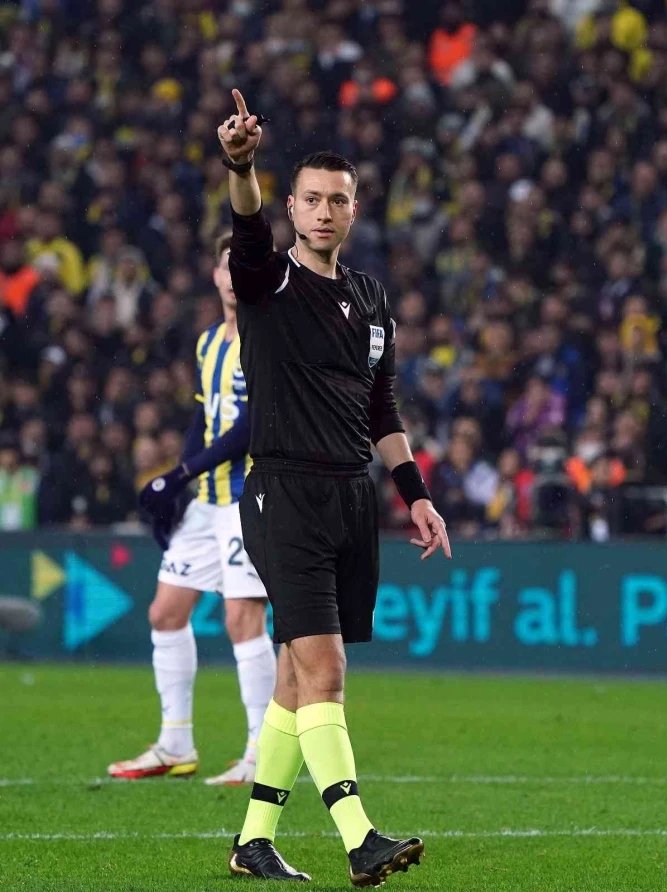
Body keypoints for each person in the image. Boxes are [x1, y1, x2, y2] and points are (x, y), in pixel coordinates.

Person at [217, 90, 451, 886]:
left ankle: (254, 841)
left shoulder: (373, 298)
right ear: (292, 206)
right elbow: (247, 230)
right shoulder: (266, 281)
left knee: (295, 678)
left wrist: (416, 493)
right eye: (311, 199)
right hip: (284, 494)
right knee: (327, 671)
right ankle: (361, 839)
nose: (324, 211)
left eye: (337, 201)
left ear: (354, 209)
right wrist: (242, 165)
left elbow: (382, 408)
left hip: (353, 496)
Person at [107, 231, 276, 786]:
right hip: (208, 500)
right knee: (165, 612)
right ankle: (175, 743)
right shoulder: (207, 344)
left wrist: (179, 473)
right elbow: (203, 420)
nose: (234, 276)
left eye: (245, 266)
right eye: (228, 265)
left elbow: (250, 427)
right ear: (215, 274)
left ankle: (261, 752)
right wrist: (177, 485)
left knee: (242, 619)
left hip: (250, 497)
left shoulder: (267, 337)